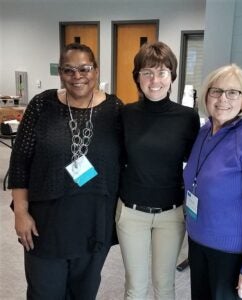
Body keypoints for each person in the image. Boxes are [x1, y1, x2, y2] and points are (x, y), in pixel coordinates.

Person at [8, 43, 123, 299]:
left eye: (84, 68)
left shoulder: (115, 110)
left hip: (94, 222)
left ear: (96, 70)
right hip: (46, 224)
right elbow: (19, 161)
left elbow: (127, 160)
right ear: (60, 73)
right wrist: (21, 212)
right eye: (69, 70)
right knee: (44, 292)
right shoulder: (42, 105)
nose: (77, 76)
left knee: (84, 292)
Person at [116, 41, 200, 300]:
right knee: (135, 287)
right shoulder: (124, 114)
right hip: (131, 213)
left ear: (172, 76)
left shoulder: (187, 117)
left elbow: (197, 165)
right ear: (137, 77)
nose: (155, 80)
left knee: (165, 286)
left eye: (162, 72)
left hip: (171, 215)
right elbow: (113, 159)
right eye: (147, 72)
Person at [183, 64, 242, 300]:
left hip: (232, 255)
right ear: (206, 95)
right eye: (216, 91)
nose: (223, 99)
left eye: (233, 92)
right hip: (199, 245)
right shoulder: (205, 131)